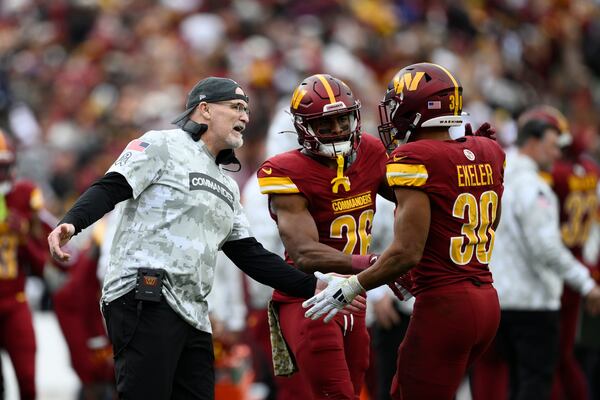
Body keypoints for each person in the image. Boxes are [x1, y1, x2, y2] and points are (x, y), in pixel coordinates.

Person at [47, 77, 363, 400]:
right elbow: (112, 186)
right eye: (236, 108)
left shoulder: (226, 186)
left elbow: (251, 256)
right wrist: (72, 223)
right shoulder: (161, 144)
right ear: (205, 110)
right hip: (145, 294)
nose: (245, 117)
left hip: (195, 314)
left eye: (247, 110)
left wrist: (315, 286)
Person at [302, 62, 506, 399]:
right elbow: (486, 223)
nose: (392, 114)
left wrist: (352, 286)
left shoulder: (416, 156)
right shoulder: (486, 149)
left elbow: (407, 251)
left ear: (418, 108)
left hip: (445, 305)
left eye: (397, 105)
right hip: (486, 299)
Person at [256, 73, 394, 399]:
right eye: (325, 125)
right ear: (304, 127)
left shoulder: (372, 152)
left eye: (343, 120)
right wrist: (375, 264)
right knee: (335, 394)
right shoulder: (286, 170)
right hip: (310, 298)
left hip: (354, 296)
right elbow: (304, 253)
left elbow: (413, 200)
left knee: (357, 387)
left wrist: (451, 154)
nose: (337, 131)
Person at [470, 116, 600, 400]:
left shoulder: (496, 173)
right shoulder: (534, 186)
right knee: (535, 383)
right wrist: (586, 283)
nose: (557, 153)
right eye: (552, 145)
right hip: (533, 304)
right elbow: (546, 247)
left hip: (498, 298)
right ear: (532, 142)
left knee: (507, 380)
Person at [0, 128, 52, 400]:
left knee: (27, 381)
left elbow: (43, 263)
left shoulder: (24, 195)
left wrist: (22, 236)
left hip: (14, 299)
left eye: (4, 166)